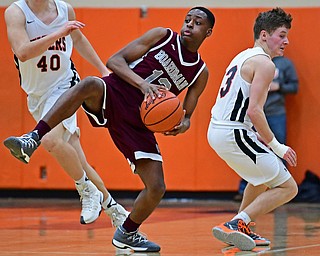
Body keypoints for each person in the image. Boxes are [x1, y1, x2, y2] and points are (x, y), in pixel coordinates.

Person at [3, 6, 215, 252]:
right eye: (187, 20)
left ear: (208, 32)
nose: (189, 25)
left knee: (157, 187)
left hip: (140, 122)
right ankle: (33, 137)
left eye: (197, 23)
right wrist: (142, 84)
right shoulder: (162, 36)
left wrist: (181, 124)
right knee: (89, 84)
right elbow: (114, 60)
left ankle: (127, 232)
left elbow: (187, 115)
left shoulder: (200, 72)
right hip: (117, 92)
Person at [3, 0, 128, 227]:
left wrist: (103, 70)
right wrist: (58, 32)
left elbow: (77, 39)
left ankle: (86, 191)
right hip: (37, 96)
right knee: (79, 161)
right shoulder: (16, 12)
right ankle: (116, 211)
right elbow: (22, 52)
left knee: (50, 139)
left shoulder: (64, 9)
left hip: (65, 86)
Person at [207, 7, 298, 251]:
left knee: (258, 178)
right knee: (289, 187)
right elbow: (254, 110)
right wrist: (277, 146)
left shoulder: (243, 56)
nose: (286, 41)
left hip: (221, 128)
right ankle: (237, 224)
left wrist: (253, 134)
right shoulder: (266, 64)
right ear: (265, 35)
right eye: (281, 34)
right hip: (232, 130)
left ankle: (242, 227)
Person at [235, 56, 299, 201]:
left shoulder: (285, 64)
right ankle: (244, 190)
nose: (284, 42)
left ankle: (280, 191)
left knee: (279, 149)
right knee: (250, 151)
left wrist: (280, 87)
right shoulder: (253, 61)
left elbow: (294, 86)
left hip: (276, 113)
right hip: (254, 113)